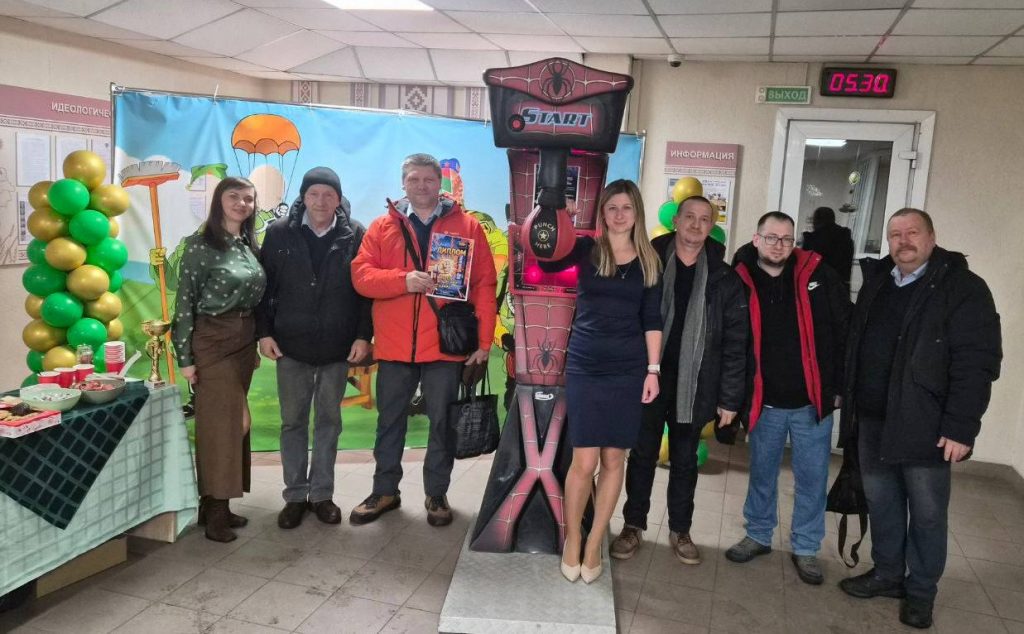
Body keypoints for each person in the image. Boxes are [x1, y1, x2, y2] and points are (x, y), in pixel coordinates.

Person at [838, 208, 1001, 629]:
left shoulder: (963, 288)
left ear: (931, 237)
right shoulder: (878, 282)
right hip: (873, 419)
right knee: (883, 504)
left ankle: (921, 591)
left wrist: (961, 427)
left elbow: (977, 363)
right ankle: (888, 574)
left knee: (927, 514)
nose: (903, 241)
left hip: (926, 425)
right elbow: (857, 344)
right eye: (895, 234)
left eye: (913, 232)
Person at [349, 153, 496, 528]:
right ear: (403, 183)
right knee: (389, 422)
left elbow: (484, 284)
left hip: (445, 347)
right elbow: (361, 276)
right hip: (395, 347)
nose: (422, 186)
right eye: (414, 179)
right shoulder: (382, 227)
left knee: (442, 423)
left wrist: (483, 342)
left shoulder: (467, 226)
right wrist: (403, 281)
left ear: (439, 183)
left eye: (429, 179)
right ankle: (385, 491)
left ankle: (437, 493)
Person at [535, 180, 662, 584]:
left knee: (613, 460)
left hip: (628, 369)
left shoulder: (650, 261)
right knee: (584, 462)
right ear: (602, 212)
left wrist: (653, 371)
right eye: (612, 208)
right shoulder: (587, 249)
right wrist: (561, 217)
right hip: (586, 365)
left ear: (637, 212)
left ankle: (594, 544)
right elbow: (545, 258)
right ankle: (573, 537)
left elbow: (652, 320)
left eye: (627, 207)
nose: (619, 215)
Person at [611, 196, 748, 566]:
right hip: (648, 379)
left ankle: (681, 530)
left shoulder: (724, 278)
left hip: (696, 384)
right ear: (676, 221)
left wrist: (730, 399)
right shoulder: (648, 262)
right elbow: (625, 320)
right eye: (689, 216)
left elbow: (736, 343)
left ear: (712, 226)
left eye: (704, 219)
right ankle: (633, 525)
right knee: (642, 455)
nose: (696, 224)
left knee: (686, 461)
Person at [726, 211, 850, 585]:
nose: (779, 245)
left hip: (811, 403)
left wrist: (838, 387)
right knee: (762, 474)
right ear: (756, 239)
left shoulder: (819, 275)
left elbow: (843, 331)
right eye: (772, 237)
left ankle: (806, 547)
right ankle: (758, 534)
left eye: (786, 238)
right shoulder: (740, 279)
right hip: (764, 401)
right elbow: (731, 340)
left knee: (812, 479)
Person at [255, 167, 372, 529]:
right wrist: (264, 333)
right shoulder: (279, 232)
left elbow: (364, 292)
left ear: (339, 199)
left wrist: (363, 336)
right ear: (303, 197)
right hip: (290, 346)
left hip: (338, 347)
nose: (321, 201)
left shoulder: (355, 233)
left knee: (329, 422)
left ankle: (322, 495)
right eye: (314, 194)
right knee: (292, 422)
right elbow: (264, 288)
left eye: (329, 195)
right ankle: (294, 496)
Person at [171, 176, 266, 543]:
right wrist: (185, 358)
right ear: (218, 201)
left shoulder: (248, 245)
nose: (242, 203)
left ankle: (215, 504)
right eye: (233, 196)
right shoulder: (200, 246)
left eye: (248, 198)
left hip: (243, 342)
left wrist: (253, 342)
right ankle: (214, 512)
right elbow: (184, 304)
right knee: (229, 424)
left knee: (225, 426)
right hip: (211, 341)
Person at [801, 206, 854, 289]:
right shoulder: (845, 237)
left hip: (818, 286)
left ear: (817, 220)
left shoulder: (814, 239)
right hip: (841, 285)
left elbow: (805, 264)